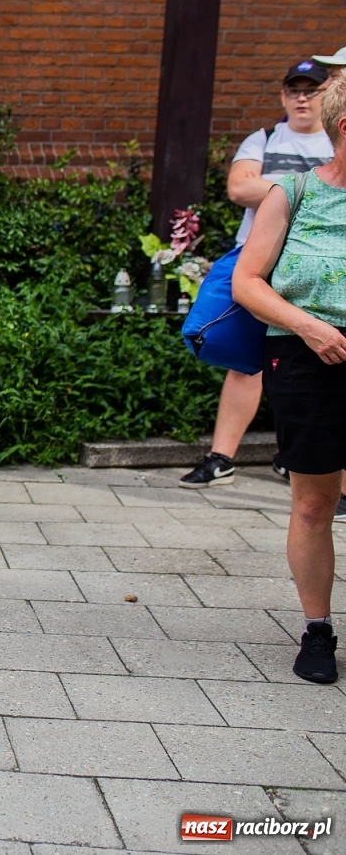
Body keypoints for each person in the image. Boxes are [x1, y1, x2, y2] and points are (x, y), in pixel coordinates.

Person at [232, 71, 346, 685]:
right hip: (307, 358)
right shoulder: (294, 193)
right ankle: (318, 630)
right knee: (313, 503)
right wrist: (310, 327)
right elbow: (247, 282)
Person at [182, 59, 337, 492]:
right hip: (261, 265)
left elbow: (256, 186)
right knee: (246, 363)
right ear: (283, 95)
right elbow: (238, 188)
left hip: (317, 273)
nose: (302, 98)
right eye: (294, 90)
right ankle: (221, 458)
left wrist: (270, 184)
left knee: (312, 364)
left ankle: (300, 461)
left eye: (312, 89)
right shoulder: (265, 138)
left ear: (329, 95)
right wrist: (304, 185)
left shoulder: (337, 141)